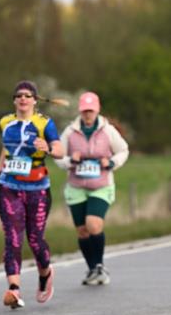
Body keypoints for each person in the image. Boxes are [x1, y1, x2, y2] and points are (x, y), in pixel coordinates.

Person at [0, 81, 63, 309]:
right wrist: (0, 166)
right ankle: (14, 289)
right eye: (18, 95)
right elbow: (8, 146)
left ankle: (45, 273)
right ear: (14, 100)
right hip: (9, 186)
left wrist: (47, 148)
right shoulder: (5, 122)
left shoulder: (44, 124)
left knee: (35, 239)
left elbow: (60, 150)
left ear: (35, 100)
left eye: (27, 95)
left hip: (37, 188)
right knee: (13, 237)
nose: (23, 99)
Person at [56, 91, 130, 283]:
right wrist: (71, 160)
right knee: (82, 230)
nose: (88, 114)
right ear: (80, 111)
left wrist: (111, 162)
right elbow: (58, 157)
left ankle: (99, 266)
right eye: (85, 111)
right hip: (76, 186)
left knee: (93, 224)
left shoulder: (107, 130)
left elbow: (123, 150)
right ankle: (92, 269)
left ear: (97, 110)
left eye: (91, 111)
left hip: (101, 185)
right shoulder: (70, 131)